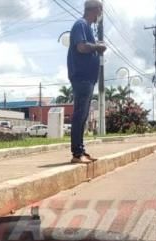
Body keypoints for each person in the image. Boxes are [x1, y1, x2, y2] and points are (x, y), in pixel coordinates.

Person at [67, 0, 106, 164]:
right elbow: (81, 47)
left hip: (87, 78)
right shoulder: (80, 24)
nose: (100, 15)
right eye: (100, 10)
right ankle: (77, 153)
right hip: (81, 77)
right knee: (80, 114)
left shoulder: (87, 27)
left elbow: (85, 45)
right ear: (95, 9)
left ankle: (80, 150)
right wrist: (97, 47)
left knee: (83, 116)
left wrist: (96, 45)